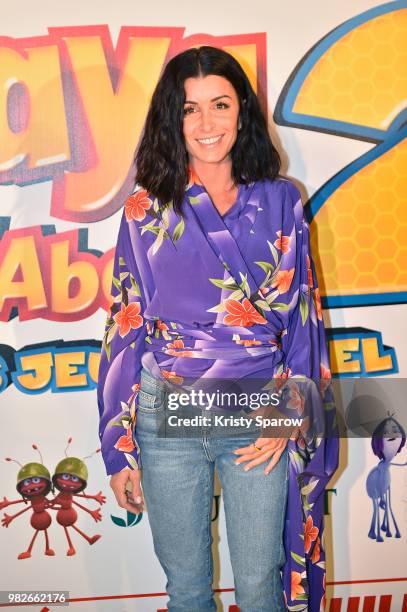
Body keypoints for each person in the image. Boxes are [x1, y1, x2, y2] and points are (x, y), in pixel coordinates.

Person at [97, 45, 338, 611]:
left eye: (220, 105)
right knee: (185, 590)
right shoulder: (144, 209)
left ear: (242, 113)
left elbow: (303, 321)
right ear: (171, 118)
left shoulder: (282, 201)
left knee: (260, 588)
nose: (207, 123)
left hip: (258, 412)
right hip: (167, 413)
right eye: (189, 108)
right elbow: (126, 326)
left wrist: (289, 415)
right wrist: (118, 447)